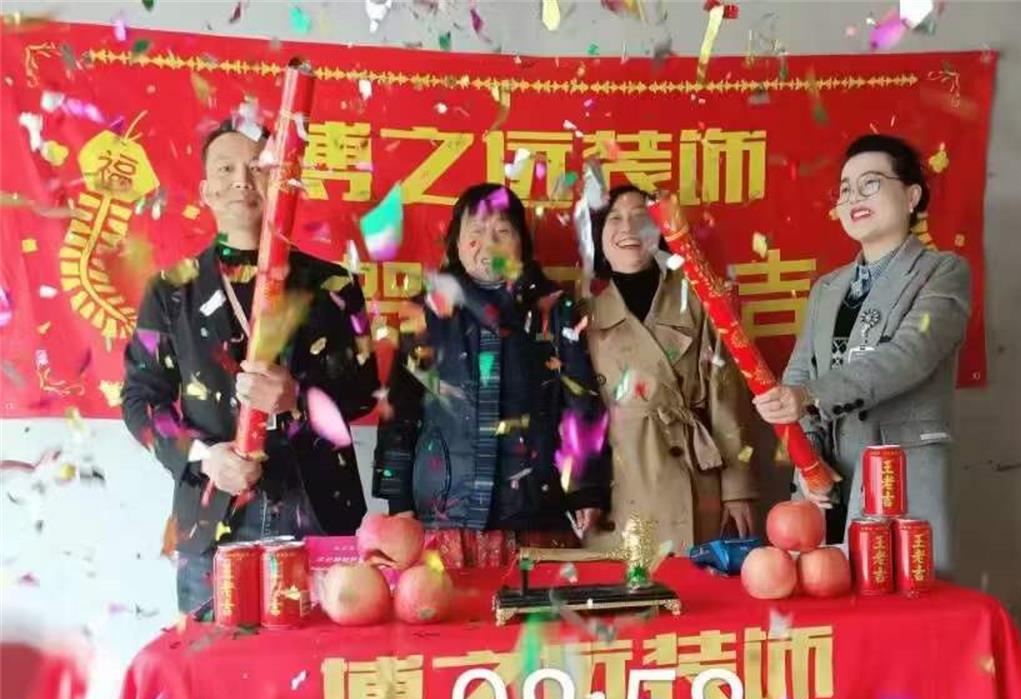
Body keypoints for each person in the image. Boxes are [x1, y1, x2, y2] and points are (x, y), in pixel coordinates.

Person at [122, 119, 379, 612]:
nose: (243, 180)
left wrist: (299, 397)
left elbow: (364, 389)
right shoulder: (170, 291)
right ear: (207, 191)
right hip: (212, 518)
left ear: (282, 182)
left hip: (320, 510)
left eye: (259, 167)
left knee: (325, 657)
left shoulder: (334, 285)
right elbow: (140, 401)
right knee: (213, 659)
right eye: (226, 169)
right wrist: (204, 457)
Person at [754, 134, 970, 575]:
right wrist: (808, 461)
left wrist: (809, 396)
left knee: (904, 598)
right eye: (845, 189)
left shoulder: (942, 272)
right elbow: (800, 376)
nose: (853, 197)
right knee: (831, 600)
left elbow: (910, 354)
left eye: (870, 183)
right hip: (829, 481)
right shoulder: (827, 289)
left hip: (899, 472)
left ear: (911, 195)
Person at [373, 183, 608, 568]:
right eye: (476, 232)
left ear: (521, 243)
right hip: (445, 517)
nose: (489, 243)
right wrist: (398, 499)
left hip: (537, 513)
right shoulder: (426, 312)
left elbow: (580, 403)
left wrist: (587, 489)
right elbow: (399, 411)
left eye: (502, 231)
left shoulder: (554, 309)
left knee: (536, 608)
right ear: (457, 243)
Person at [584, 185, 757, 553]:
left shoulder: (697, 298)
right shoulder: (582, 312)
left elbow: (725, 396)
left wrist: (736, 488)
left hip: (693, 475)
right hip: (617, 483)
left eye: (640, 217)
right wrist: (581, 491)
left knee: (691, 582)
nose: (628, 228)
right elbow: (572, 411)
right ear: (598, 236)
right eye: (614, 218)